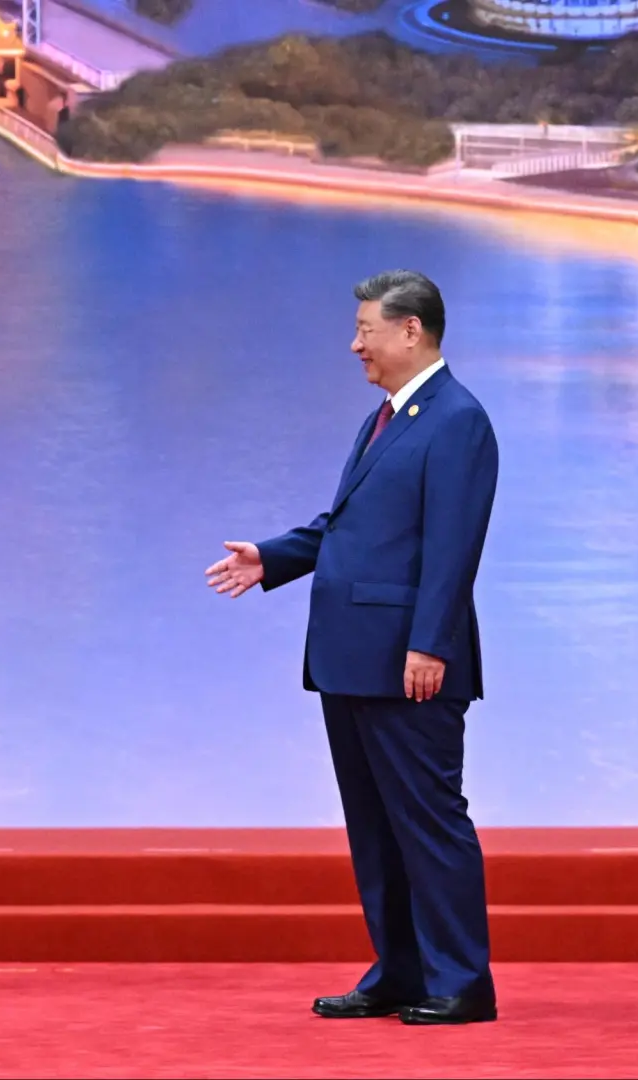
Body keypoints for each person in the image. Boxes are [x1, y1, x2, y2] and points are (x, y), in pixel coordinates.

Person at [206, 270, 499, 1025]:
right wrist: (273, 557)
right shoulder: (386, 419)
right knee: (375, 827)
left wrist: (430, 644)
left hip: (409, 662)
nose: (355, 345)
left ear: (411, 330)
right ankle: (401, 971)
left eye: (366, 330)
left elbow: (453, 546)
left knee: (428, 820)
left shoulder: (457, 419)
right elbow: (350, 525)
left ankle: (461, 981)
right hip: (353, 657)